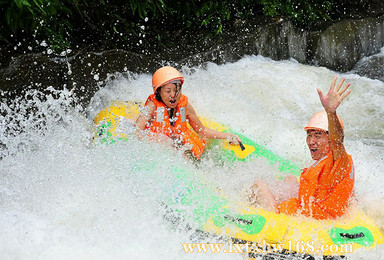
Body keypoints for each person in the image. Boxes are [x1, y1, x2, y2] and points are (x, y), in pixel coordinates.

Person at [249, 76, 354, 220]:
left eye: (318, 136)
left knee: (258, 185)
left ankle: (256, 217)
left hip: (312, 220)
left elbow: (338, 141)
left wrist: (331, 112)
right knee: (290, 179)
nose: (311, 141)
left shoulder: (339, 160)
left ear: (330, 140)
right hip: (309, 210)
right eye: (309, 135)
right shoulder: (325, 161)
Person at [135, 66, 241, 160]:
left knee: (181, 146)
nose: (173, 95)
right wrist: (162, 141)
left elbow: (202, 130)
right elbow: (136, 131)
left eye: (176, 90)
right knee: (174, 143)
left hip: (181, 145)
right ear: (158, 92)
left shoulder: (184, 106)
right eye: (168, 91)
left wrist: (227, 136)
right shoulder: (152, 106)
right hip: (161, 148)